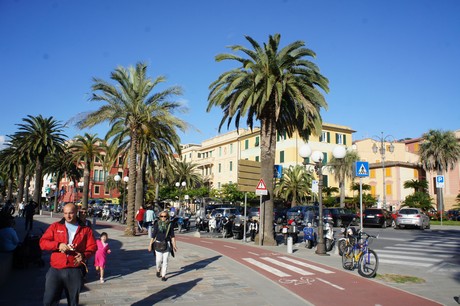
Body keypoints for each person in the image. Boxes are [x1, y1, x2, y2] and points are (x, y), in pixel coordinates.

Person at [39, 203, 97, 306]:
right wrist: (58, 245)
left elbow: (92, 247)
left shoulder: (85, 229)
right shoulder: (55, 226)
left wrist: (83, 255)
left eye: (71, 213)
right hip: (55, 270)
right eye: (65, 213)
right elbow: (43, 243)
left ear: (76, 213)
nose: (68, 216)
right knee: (48, 301)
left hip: (74, 269)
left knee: (73, 302)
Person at [147, 210, 177, 282]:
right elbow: (153, 235)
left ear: (167, 217)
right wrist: (150, 244)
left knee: (165, 260)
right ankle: (158, 269)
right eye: (161, 216)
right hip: (158, 243)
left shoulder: (170, 224)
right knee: (158, 260)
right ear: (159, 217)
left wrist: (174, 245)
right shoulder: (157, 224)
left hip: (167, 244)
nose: (163, 218)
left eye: (165, 216)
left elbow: (172, 236)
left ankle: (163, 275)